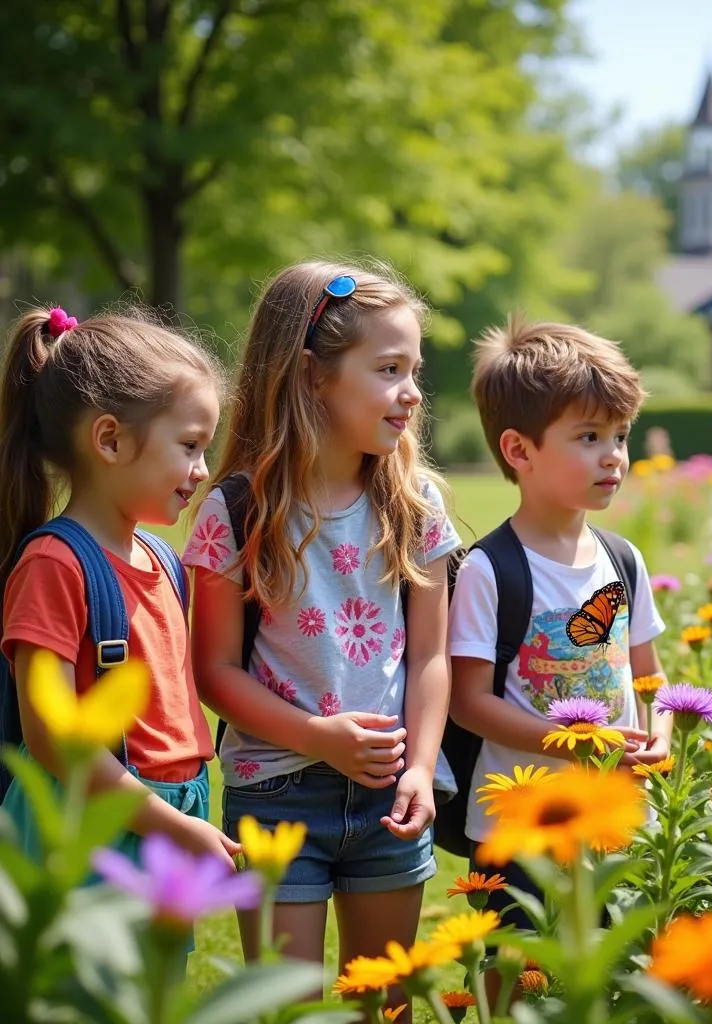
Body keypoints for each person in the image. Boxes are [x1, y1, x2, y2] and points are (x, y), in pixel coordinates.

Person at [185, 261, 459, 1018]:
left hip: (389, 795)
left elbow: (432, 654)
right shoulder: (236, 512)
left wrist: (423, 764)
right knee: (290, 1007)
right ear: (312, 376)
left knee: (390, 1005)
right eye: (388, 369)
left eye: (415, 370)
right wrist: (318, 736)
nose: (411, 391)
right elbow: (212, 671)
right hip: (274, 799)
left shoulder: (413, 503)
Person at [447, 317, 673, 1000]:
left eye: (619, 436)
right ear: (519, 450)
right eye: (588, 437)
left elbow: (649, 676)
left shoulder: (621, 559)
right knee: (517, 978)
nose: (613, 456)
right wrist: (575, 744)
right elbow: (469, 702)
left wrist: (660, 730)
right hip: (519, 827)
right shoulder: (492, 568)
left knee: (612, 977)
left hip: (613, 817)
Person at [0, 305, 234, 871]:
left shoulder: (164, 561)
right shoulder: (55, 564)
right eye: (189, 446)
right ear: (109, 439)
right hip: (86, 826)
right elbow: (53, 739)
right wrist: (170, 824)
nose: (203, 469)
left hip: (167, 813)